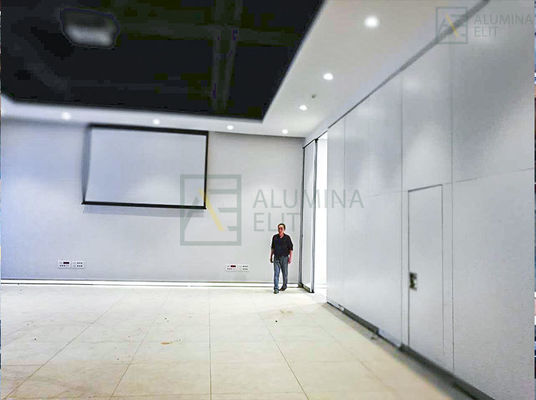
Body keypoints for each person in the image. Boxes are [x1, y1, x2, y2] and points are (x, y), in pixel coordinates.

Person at [270, 223, 293, 294]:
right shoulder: (275, 237)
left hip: (284, 258)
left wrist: (290, 258)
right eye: (279, 228)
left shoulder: (287, 238)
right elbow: (273, 248)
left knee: (285, 274)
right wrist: (271, 256)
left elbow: (291, 249)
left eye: (281, 228)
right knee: (276, 273)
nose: (280, 230)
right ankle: (276, 288)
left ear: (284, 229)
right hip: (276, 257)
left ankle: (284, 286)